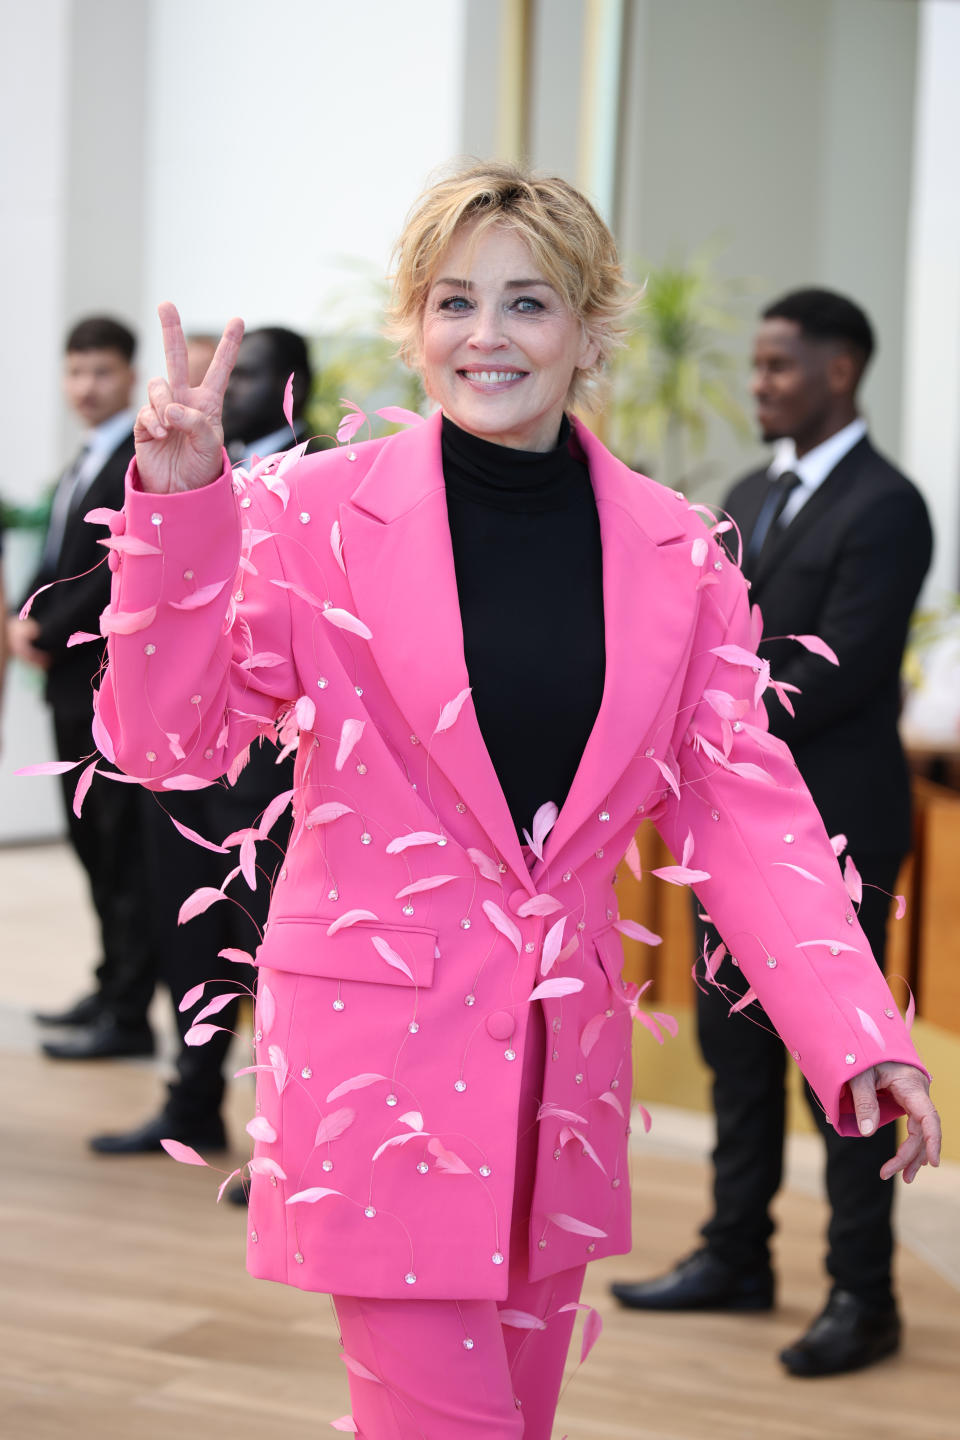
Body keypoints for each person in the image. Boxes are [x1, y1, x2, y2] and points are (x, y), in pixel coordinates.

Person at [92, 165, 939, 1439]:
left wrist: (856, 1030)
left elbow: (743, 807)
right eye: (453, 301)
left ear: (591, 329)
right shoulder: (306, 517)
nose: (486, 335)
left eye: (528, 302)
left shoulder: (678, 550)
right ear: (414, 326)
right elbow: (166, 744)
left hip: (560, 1081)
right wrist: (180, 511)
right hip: (378, 1078)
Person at [610, 288, 934, 1378]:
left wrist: (706, 719)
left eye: (778, 366)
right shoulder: (748, 492)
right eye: (753, 365)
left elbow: (838, 665)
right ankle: (735, 1253)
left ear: (840, 370)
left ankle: (864, 1293)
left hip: (834, 826)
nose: (757, 383)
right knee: (731, 1043)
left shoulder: (890, 505)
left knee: (840, 1066)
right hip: (728, 825)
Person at [88, 328, 309, 1155]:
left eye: (247, 372)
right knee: (190, 941)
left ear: (294, 381)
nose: (230, 386)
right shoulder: (198, 462)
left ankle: (278, 1139)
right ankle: (191, 1102)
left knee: (271, 954)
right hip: (185, 765)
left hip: (277, 776)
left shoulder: (316, 479)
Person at [10, 316, 157, 1059]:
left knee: (119, 848)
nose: (86, 387)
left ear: (129, 377)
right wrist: (20, 616)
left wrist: (41, 627)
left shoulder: (135, 456)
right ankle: (111, 987)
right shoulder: (82, 459)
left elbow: (112, 568)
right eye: (76, 373)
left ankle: (128, 1015)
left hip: (103, 686)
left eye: (101, 372)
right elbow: (56, 558)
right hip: (65, 686)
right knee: (90, 845)